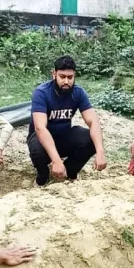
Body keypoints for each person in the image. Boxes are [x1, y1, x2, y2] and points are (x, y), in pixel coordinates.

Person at [28, 55, 106, 186]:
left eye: (70, 77)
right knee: (37, 150)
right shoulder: (41, 93)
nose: (66, 81)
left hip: (64, 136)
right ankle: (43, 174)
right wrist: (56, 160)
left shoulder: (78, 93)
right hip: (41, 138)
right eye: (62, 76)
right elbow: (40, 128)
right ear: (54, 74)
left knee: (90, 140)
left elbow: (93, 121)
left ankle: (70, 171)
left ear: (74, 76)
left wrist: (100, 152)